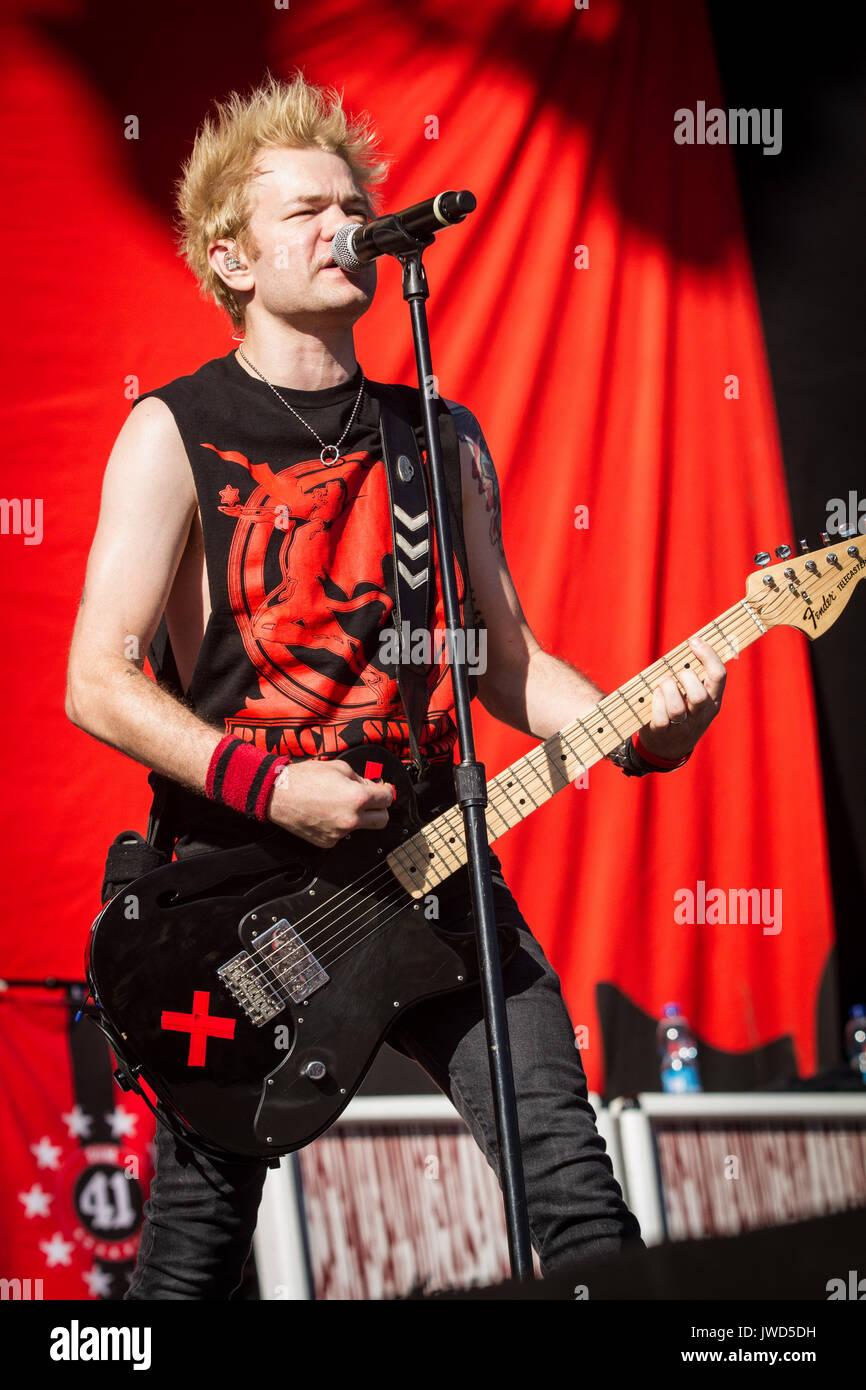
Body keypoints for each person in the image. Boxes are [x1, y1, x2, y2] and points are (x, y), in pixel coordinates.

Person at [65, 72, 726, 1299]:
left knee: (568, 1184)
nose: (344, 226)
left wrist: (644, 728)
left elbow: (506, 660)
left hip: (434, 862)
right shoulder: (171, 432)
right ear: (231, 258)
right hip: (241, 891)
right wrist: (275, 789)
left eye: (352, 204)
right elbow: (94, 682)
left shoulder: (438, 434)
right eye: (306, 211)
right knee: (190, 1258)